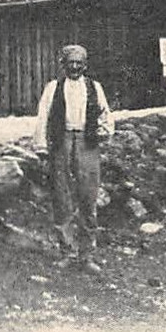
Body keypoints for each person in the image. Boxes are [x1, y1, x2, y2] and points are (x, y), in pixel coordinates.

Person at [34, 44, 113, 270]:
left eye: (79, 63)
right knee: (61, 194)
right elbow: (43, 116)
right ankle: (67, 250)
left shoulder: (94, 87)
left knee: (88, 195)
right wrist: (40, 145)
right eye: (71, 62)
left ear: (85, 65)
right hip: (62, 141)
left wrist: (103, 132)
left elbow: (105, 114)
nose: (75, 67)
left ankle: (86, 254)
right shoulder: (53, 88)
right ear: (63, 64)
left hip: (87, 142)